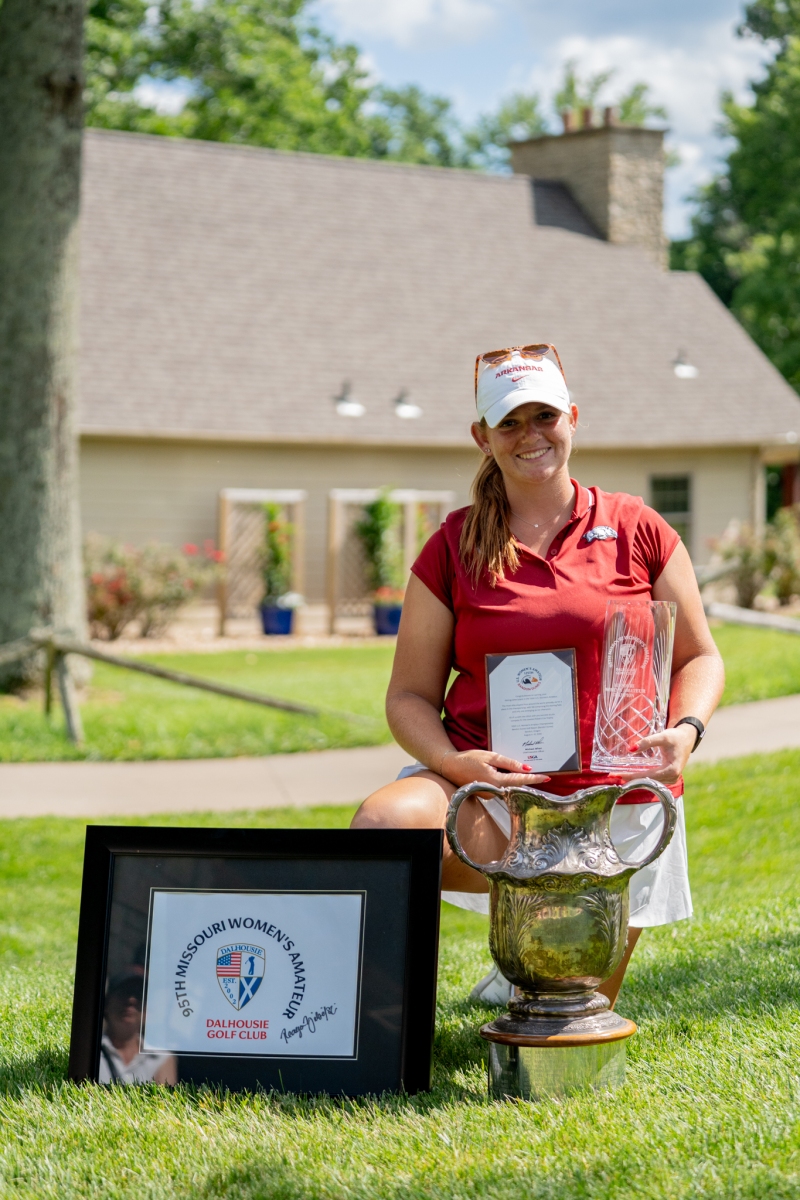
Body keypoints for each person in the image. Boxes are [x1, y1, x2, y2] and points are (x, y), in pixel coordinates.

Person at [351, 342, 725, 1005]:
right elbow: (408, 695)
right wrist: (454, 763)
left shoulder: (637, 528)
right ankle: (382, 1026)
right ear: (483, 437)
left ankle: (529, 954)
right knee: (385, 830)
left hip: (614, 809)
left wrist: (687, 730)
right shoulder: (452, 547)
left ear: (572, 418)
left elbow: (699, 656)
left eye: (545, 416)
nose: (531, 434)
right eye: (510, 422)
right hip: (495, 805)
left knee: (560, 1019)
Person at [99, 975, 178, 1085]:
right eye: (124, 993)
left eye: (139, 995)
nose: (131, 1000)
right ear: (106, 1004)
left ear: (146, 1011)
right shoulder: (89, 1050)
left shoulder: (161, 1059)